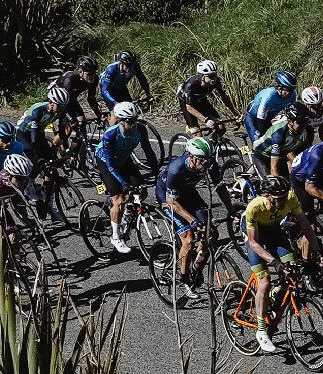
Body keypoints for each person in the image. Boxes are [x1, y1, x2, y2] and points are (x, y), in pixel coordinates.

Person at [242, 174, 313, 355]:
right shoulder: (254, 207)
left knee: (292, 271)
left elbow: (305, 225)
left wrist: (318, 253)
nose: (283, 201)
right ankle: (261, 330)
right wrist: (274, 262)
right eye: (278, 198)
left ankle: (274, 295)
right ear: (267, 196)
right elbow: (254, 243)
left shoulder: (290, 197)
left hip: (274, 231)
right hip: (255, 237)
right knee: (264, 282)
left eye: (284, 196)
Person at [95, 101, 161, 255]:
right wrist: (123, 183)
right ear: (120, 121)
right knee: (119, 200)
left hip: (123, 159)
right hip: (107, 162)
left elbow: (149, 152)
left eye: (135, 120)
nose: (134, 124)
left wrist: (157, 174)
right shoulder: (110, 135)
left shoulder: (141, 129)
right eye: (130, 121)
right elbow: (110, 164)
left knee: (142, 191)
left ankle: (125, 218)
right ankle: (115, 236)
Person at [156, 137, 215, 303]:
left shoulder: (208, 163)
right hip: (168, 198)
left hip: (188, 193)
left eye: (209, 159)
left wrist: (231, 210)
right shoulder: (176, 169)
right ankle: (184, 280)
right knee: (188, 239)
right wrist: (192, 220)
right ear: (191, 157)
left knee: (210, 233)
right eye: (202, 160)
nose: (206, 164)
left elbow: (221, 186)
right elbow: (172, 201)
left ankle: (195, 268)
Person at [252, 100, 315, 180]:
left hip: (281, 156)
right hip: (262, 155)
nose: (304, 125)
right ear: (289, 121)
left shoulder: (308, 131)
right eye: (301, 122)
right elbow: (274, 167)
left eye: (306, 121)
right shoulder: (280, 133)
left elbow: (306, 154)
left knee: (288, 182)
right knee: (273, 184)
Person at [177, 59, 234, 133]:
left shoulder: (216, 81)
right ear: (202, 76)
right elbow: (189, 108)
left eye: (215, 75)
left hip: (200, 99)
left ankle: (213, 140)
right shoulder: (190, 84)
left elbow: (224, 98)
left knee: (220, 126)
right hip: (186, 102)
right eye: (210, 76)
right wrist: (205, 120)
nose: (213, 79)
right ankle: (191, 130)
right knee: (196, 132)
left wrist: (235, 114)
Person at [54, 56, 100, 144]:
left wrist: (98, 114)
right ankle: (53, 149)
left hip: (71, 100)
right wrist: (70, 119)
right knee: (67, 130)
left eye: (94, 73)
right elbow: (62, 104)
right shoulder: (70, 79)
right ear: (80, 72)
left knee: (81, 124)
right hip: (58, 101)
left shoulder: (94, 79)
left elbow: (91, 98)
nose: (92, 76)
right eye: (89, 74)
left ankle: (77, 150)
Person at [244, 70, 298, 145]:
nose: (290, 93)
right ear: (279, 87)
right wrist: (263, 137)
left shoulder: (292, 95)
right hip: (253, 118)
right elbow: (260, 120)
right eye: (288, 89)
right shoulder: (269, 96)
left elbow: (291, 114)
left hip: (267, 119)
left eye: (292, 89)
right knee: (260, 144)